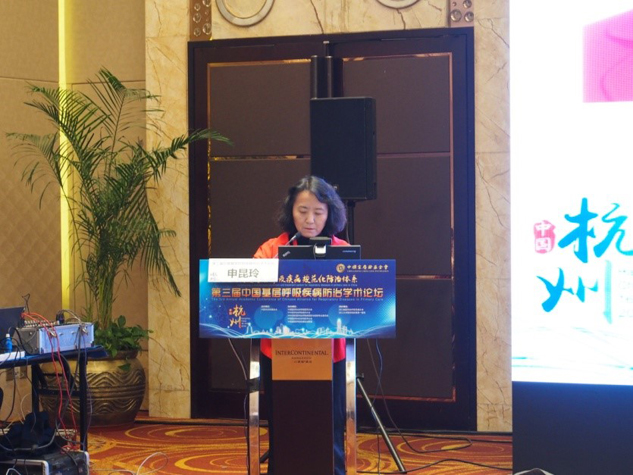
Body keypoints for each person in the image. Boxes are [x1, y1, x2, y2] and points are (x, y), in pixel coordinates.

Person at [254, 175, 348, 475]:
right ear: (290, 211)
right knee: (284, 421)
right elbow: (251, 291)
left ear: (329, 213)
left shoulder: (343, 249)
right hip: (279, 353)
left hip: (329, 352)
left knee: (330, 423)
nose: (310, 220)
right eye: (302, 211)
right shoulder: (271, 249)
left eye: (318, 212)